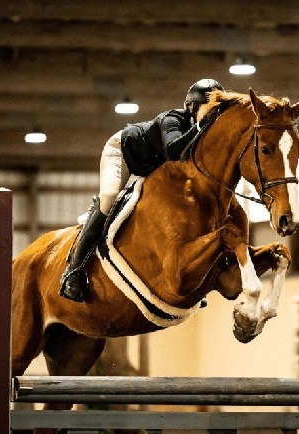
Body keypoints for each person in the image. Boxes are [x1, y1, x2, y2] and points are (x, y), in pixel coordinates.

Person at [60, 78, 224, 302]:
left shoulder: (203, 131)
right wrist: (200, 126)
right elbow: (173, 150)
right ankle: (73, 272)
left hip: (153, 169)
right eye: (210, 110)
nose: (213, 116)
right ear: (192, 107)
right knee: (109, 196)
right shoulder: (172, 120)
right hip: (123, 153)